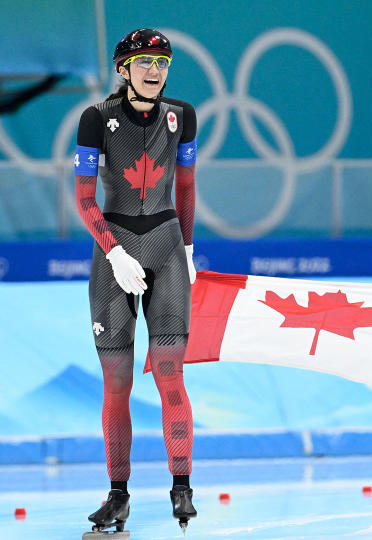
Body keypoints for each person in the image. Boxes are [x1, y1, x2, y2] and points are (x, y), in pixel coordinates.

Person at [75, 28, 198, 534]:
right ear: (123, 68)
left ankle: (182, 487)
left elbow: (187, 186)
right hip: (115, 252)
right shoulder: (96, 119)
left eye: (162, 63)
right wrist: (113, 250)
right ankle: (119, 495)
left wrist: (187, 247)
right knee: (117, 384)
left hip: (167, 250)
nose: (155, 71)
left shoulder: (183, 116)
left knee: (171, 375)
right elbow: (84, 199)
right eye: (145, 61)